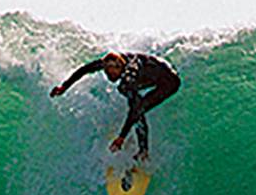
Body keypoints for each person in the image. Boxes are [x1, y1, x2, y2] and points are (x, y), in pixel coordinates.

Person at [51, 51, 180, 161]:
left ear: (120, 67)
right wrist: (64, 87)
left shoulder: (130, 74)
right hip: (151, 73)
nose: (109, 76)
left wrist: (121, 137)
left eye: (112, 73)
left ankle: (143, 151)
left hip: (169, 80)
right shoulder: (108, 61)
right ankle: (134, 134)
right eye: (106, 72)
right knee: (128, 93)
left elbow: (135, 109)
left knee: (136, 105)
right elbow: (84, 70)